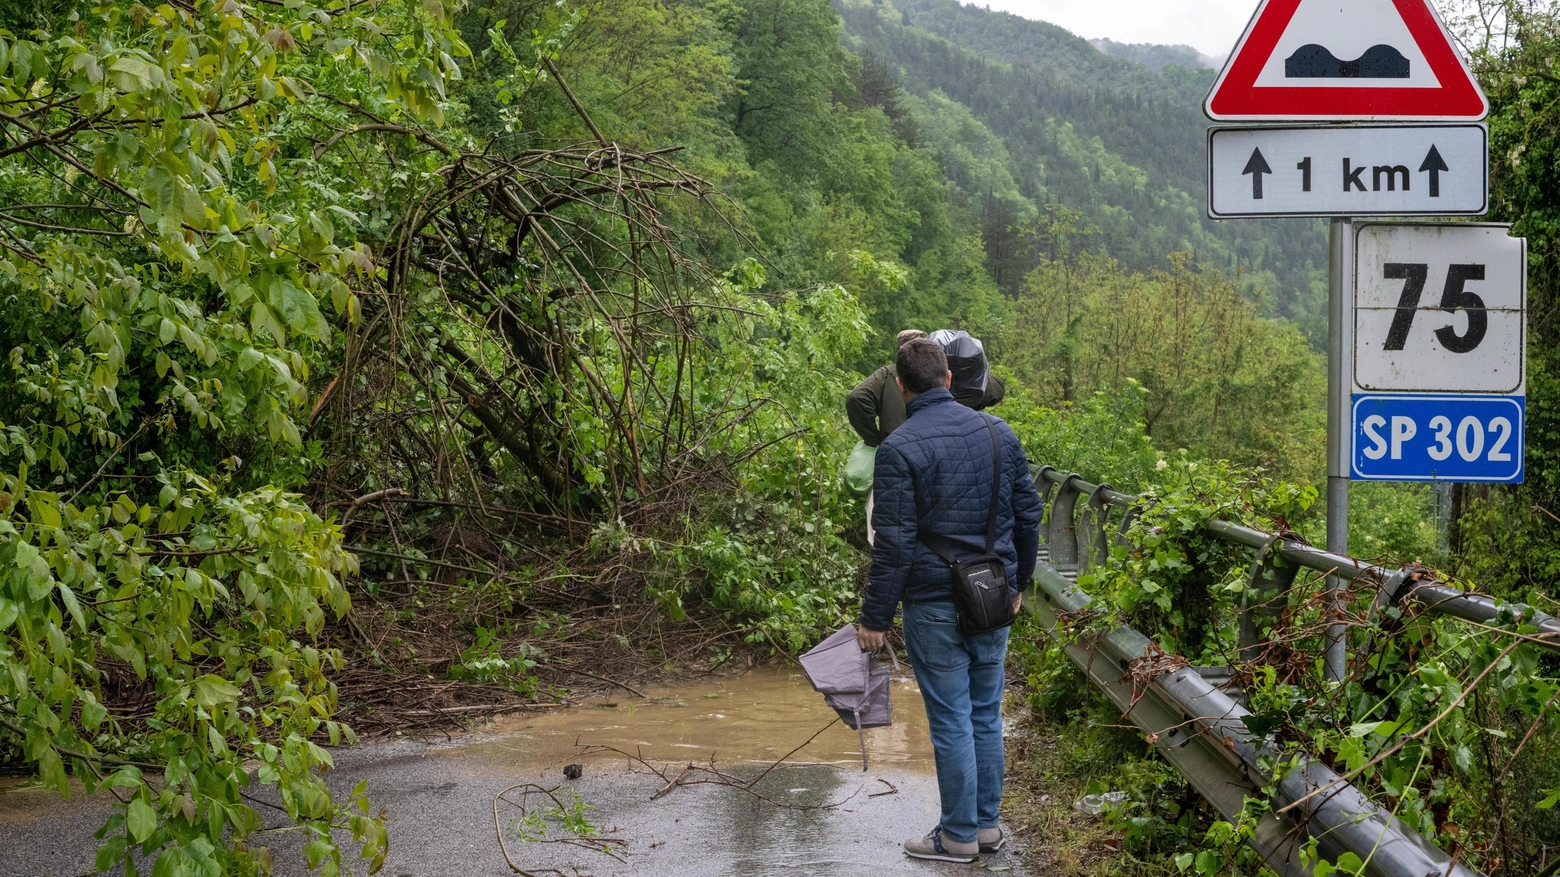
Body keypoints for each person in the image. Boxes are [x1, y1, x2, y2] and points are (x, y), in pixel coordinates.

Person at [855, 338, 1042, 864]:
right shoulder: (998, 432)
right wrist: (1018, 583)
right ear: (950, 380)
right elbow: (1029, 517)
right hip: (993, 597)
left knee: (953, 719)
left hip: (934, 604)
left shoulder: (898, 448)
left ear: (900, 386)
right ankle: (985, 828)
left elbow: (893, 542)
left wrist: (874, 618)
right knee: (985, 713)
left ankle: (957, 836)